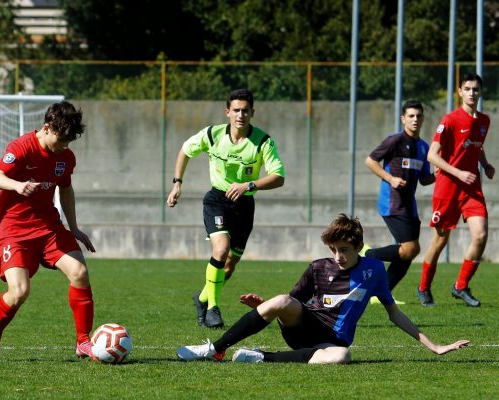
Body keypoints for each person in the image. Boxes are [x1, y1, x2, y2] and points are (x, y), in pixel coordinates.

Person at [176, 214, 469, 364]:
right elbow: (291, 304)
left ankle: (262, 357)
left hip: (333, 341)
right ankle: (216, 350)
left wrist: (434, 346)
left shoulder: (374, 270)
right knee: (280, 299)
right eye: (333, 250)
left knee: (343, 356)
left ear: (358, 247)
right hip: (304, 329)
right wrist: (266, 307)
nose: (338, 256)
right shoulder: (319, 266)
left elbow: (394, 314)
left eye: (344, 250)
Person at [0, 101, 97, 362]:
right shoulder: (21, 148)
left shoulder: (66, 157)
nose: (63, 147)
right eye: (60, 141)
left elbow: (65, 190)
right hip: (13, 230)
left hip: (48, 227)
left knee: (79, 271)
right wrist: (16, 185)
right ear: (46, 128)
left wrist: (74, 227)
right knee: (19, 292)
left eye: (68, 142)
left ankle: (83, 342)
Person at [166, 88, 285, 328]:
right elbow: (185, 151)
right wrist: (177, 183)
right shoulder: (212, 135)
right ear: (227, 111)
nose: (241, 115)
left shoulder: (262, 142)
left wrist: (248, 185)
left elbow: (279, 177)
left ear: (252, 112)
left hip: (244, 206)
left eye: (245, 110)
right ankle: (213, 309)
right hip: (217, 201)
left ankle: (201, 299)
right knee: (220, 250)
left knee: (229, 265)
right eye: (236, 110)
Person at [417, 73, 495, 308]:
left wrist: (486, 163)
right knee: (440, 241)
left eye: (476, 89)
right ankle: (423, 287)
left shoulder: (484, 121)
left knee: (480, 236)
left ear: (481, 92)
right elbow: (432, 155)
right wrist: (458, 172)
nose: (472, 93)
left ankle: (460, 286)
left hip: (471, 190)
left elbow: (474, 146)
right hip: (448, 188)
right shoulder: (449, 120)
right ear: (460, 92)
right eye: (468, 89)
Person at [362, 101, 435, 297]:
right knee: (410, 248)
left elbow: (425, 179)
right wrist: (390, 178)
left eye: (418, 116)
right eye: (411, 116)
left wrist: (441, 172)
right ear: (403, 119)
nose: (415, 120)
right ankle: (366, 254)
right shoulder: (394, 141)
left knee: (408, 254)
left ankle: (381, 293)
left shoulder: (424, 147)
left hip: (409, 206)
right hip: (392, 203)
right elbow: (370, 161)